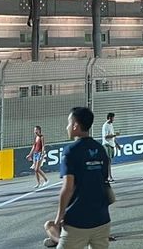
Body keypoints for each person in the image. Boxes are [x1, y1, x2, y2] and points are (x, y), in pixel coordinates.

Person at [50, 106, 111, 248]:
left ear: (75, 126)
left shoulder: (70, 151)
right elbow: (103, 180)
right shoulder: (100, 149)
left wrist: (59, 218)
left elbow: (68, 188)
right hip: (102, 219)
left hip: (78, 221)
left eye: (69, 123)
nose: (67, 127)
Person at [101, 113, 120, 182]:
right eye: (113, 118)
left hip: (111, 144)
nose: (114, 119)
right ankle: (109, 177)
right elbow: (106, 136)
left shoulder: (111, 125)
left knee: (109, 161)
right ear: (109, 118)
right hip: (107, 144)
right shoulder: (105, 126)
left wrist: (117, 144)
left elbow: (112, 137)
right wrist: (114, 135)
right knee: (108, 161)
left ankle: (108, 176)